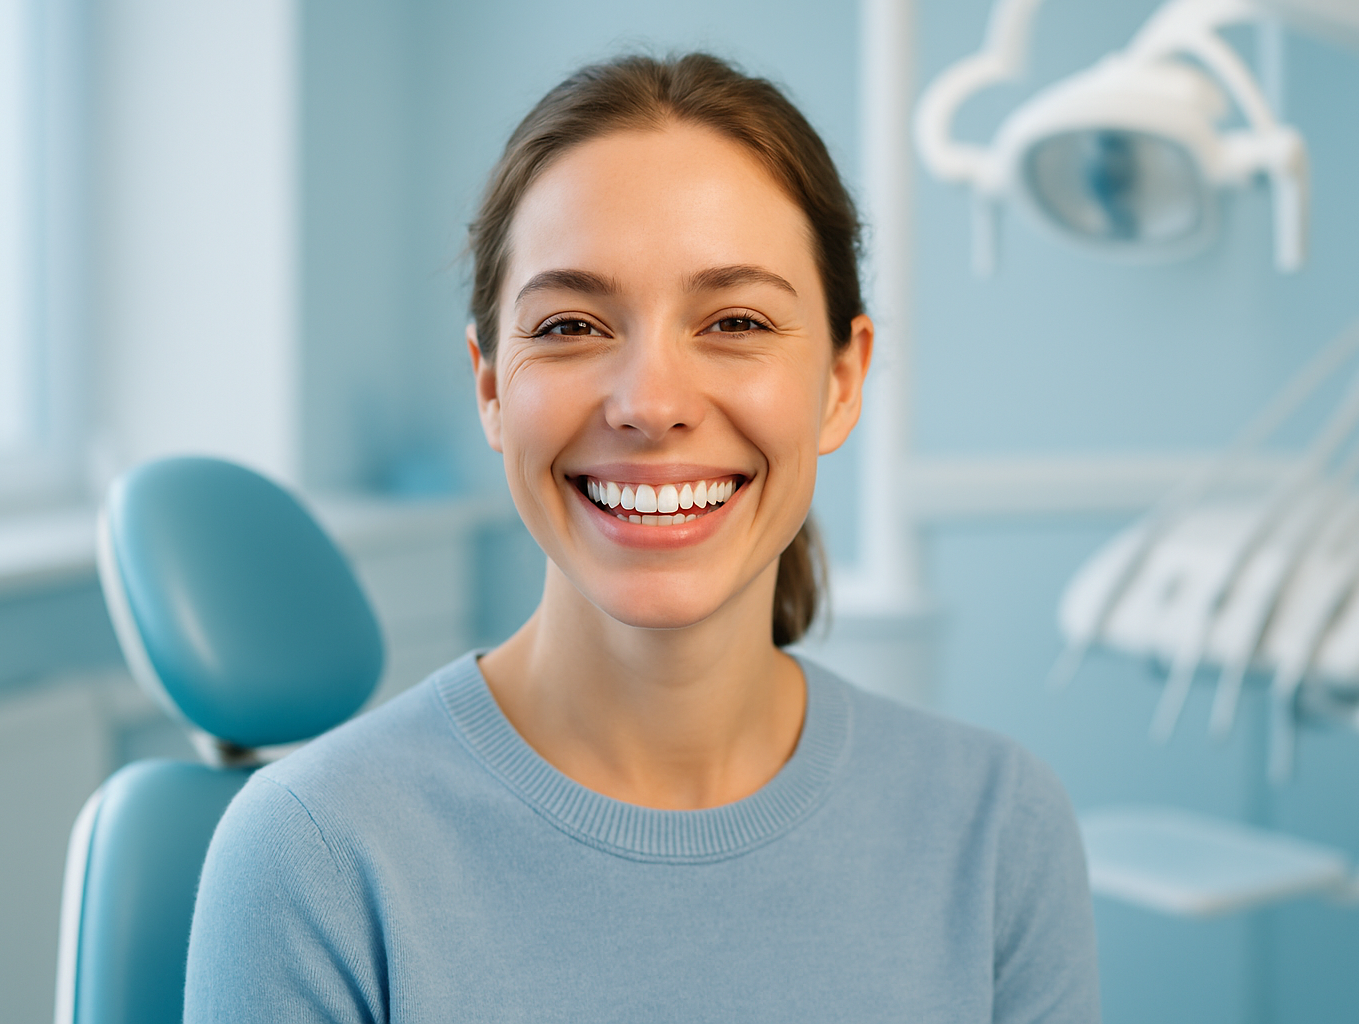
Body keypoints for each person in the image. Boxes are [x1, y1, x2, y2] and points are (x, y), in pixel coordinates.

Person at [184, 52, 1099, 1022]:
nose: (651, 404)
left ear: (842, 379)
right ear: (493, 386)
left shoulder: (999, 832)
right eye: (572, 325)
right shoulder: (316, 855)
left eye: (736, 319)